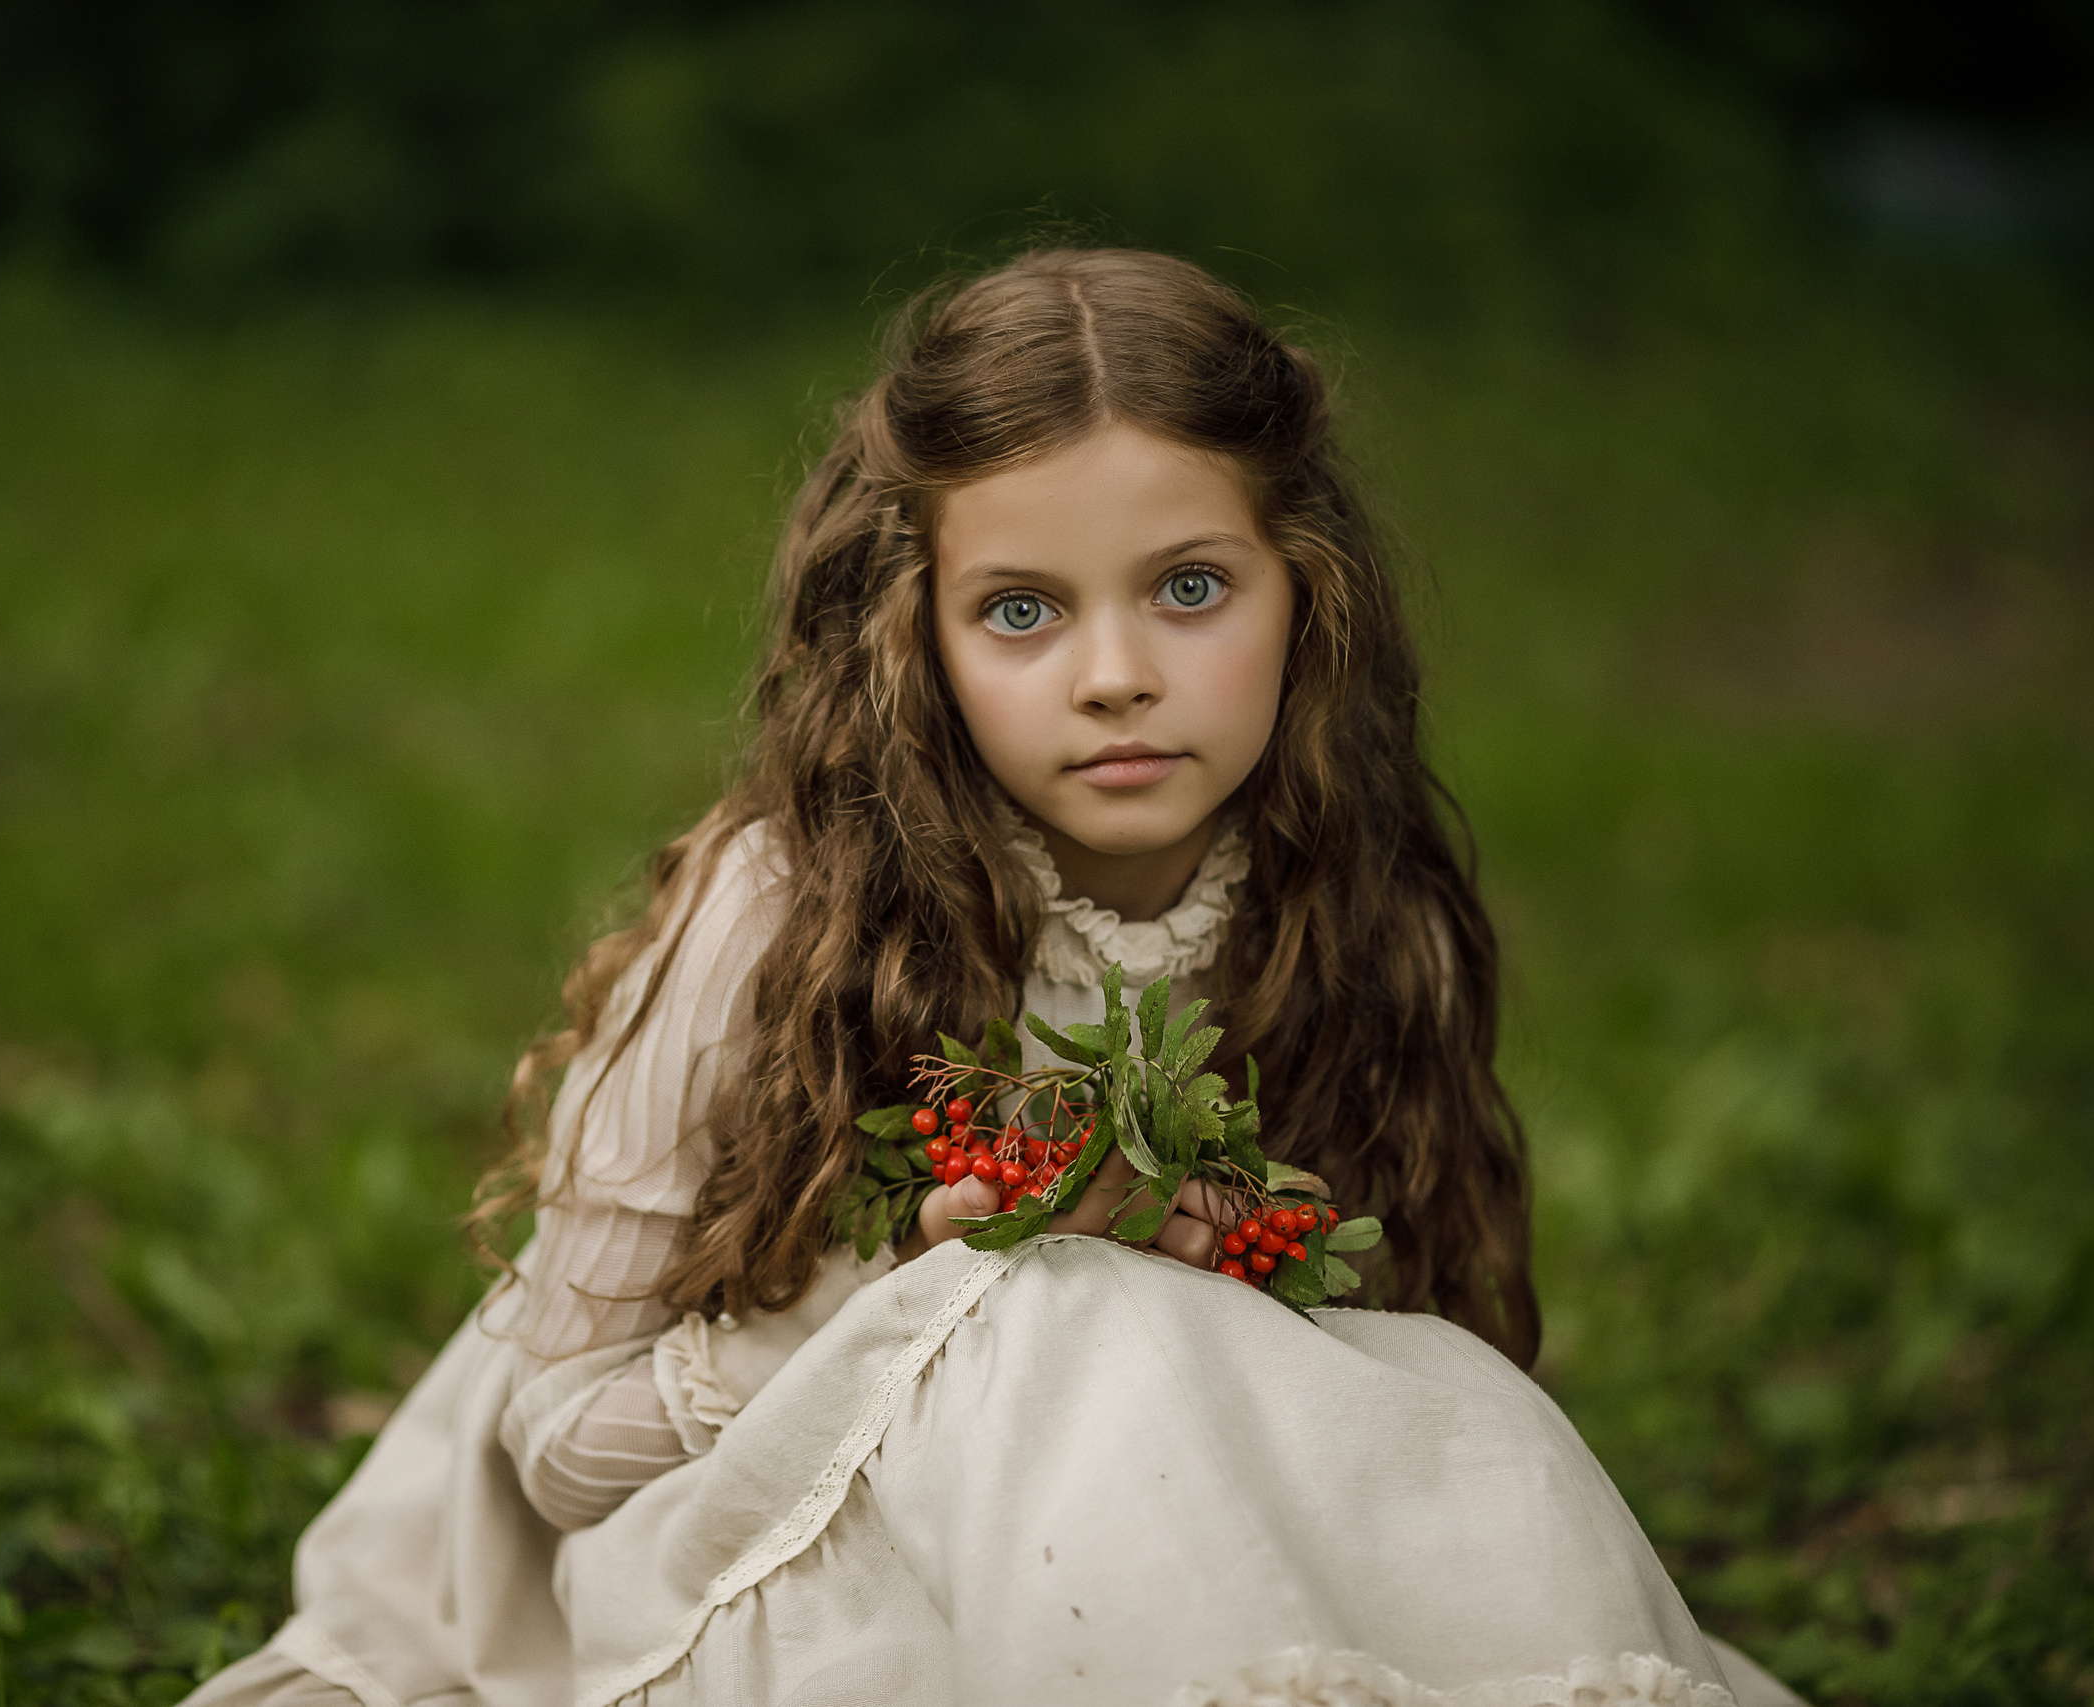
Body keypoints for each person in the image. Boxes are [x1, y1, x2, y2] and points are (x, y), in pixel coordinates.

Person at [189, 249, 1800, 1707]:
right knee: (1047, 1312)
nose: (1116, 679)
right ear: (919, 633)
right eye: (1020, 611)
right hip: (739, 1557)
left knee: (1449, 1395)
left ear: (1307, 590)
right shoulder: (782, 906)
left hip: (1141, 1538)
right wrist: (904, 1298)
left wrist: (1240, 1267)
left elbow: (1383, 1418)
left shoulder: (1359, 910)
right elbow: (548, 1458)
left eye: (1189, 588)